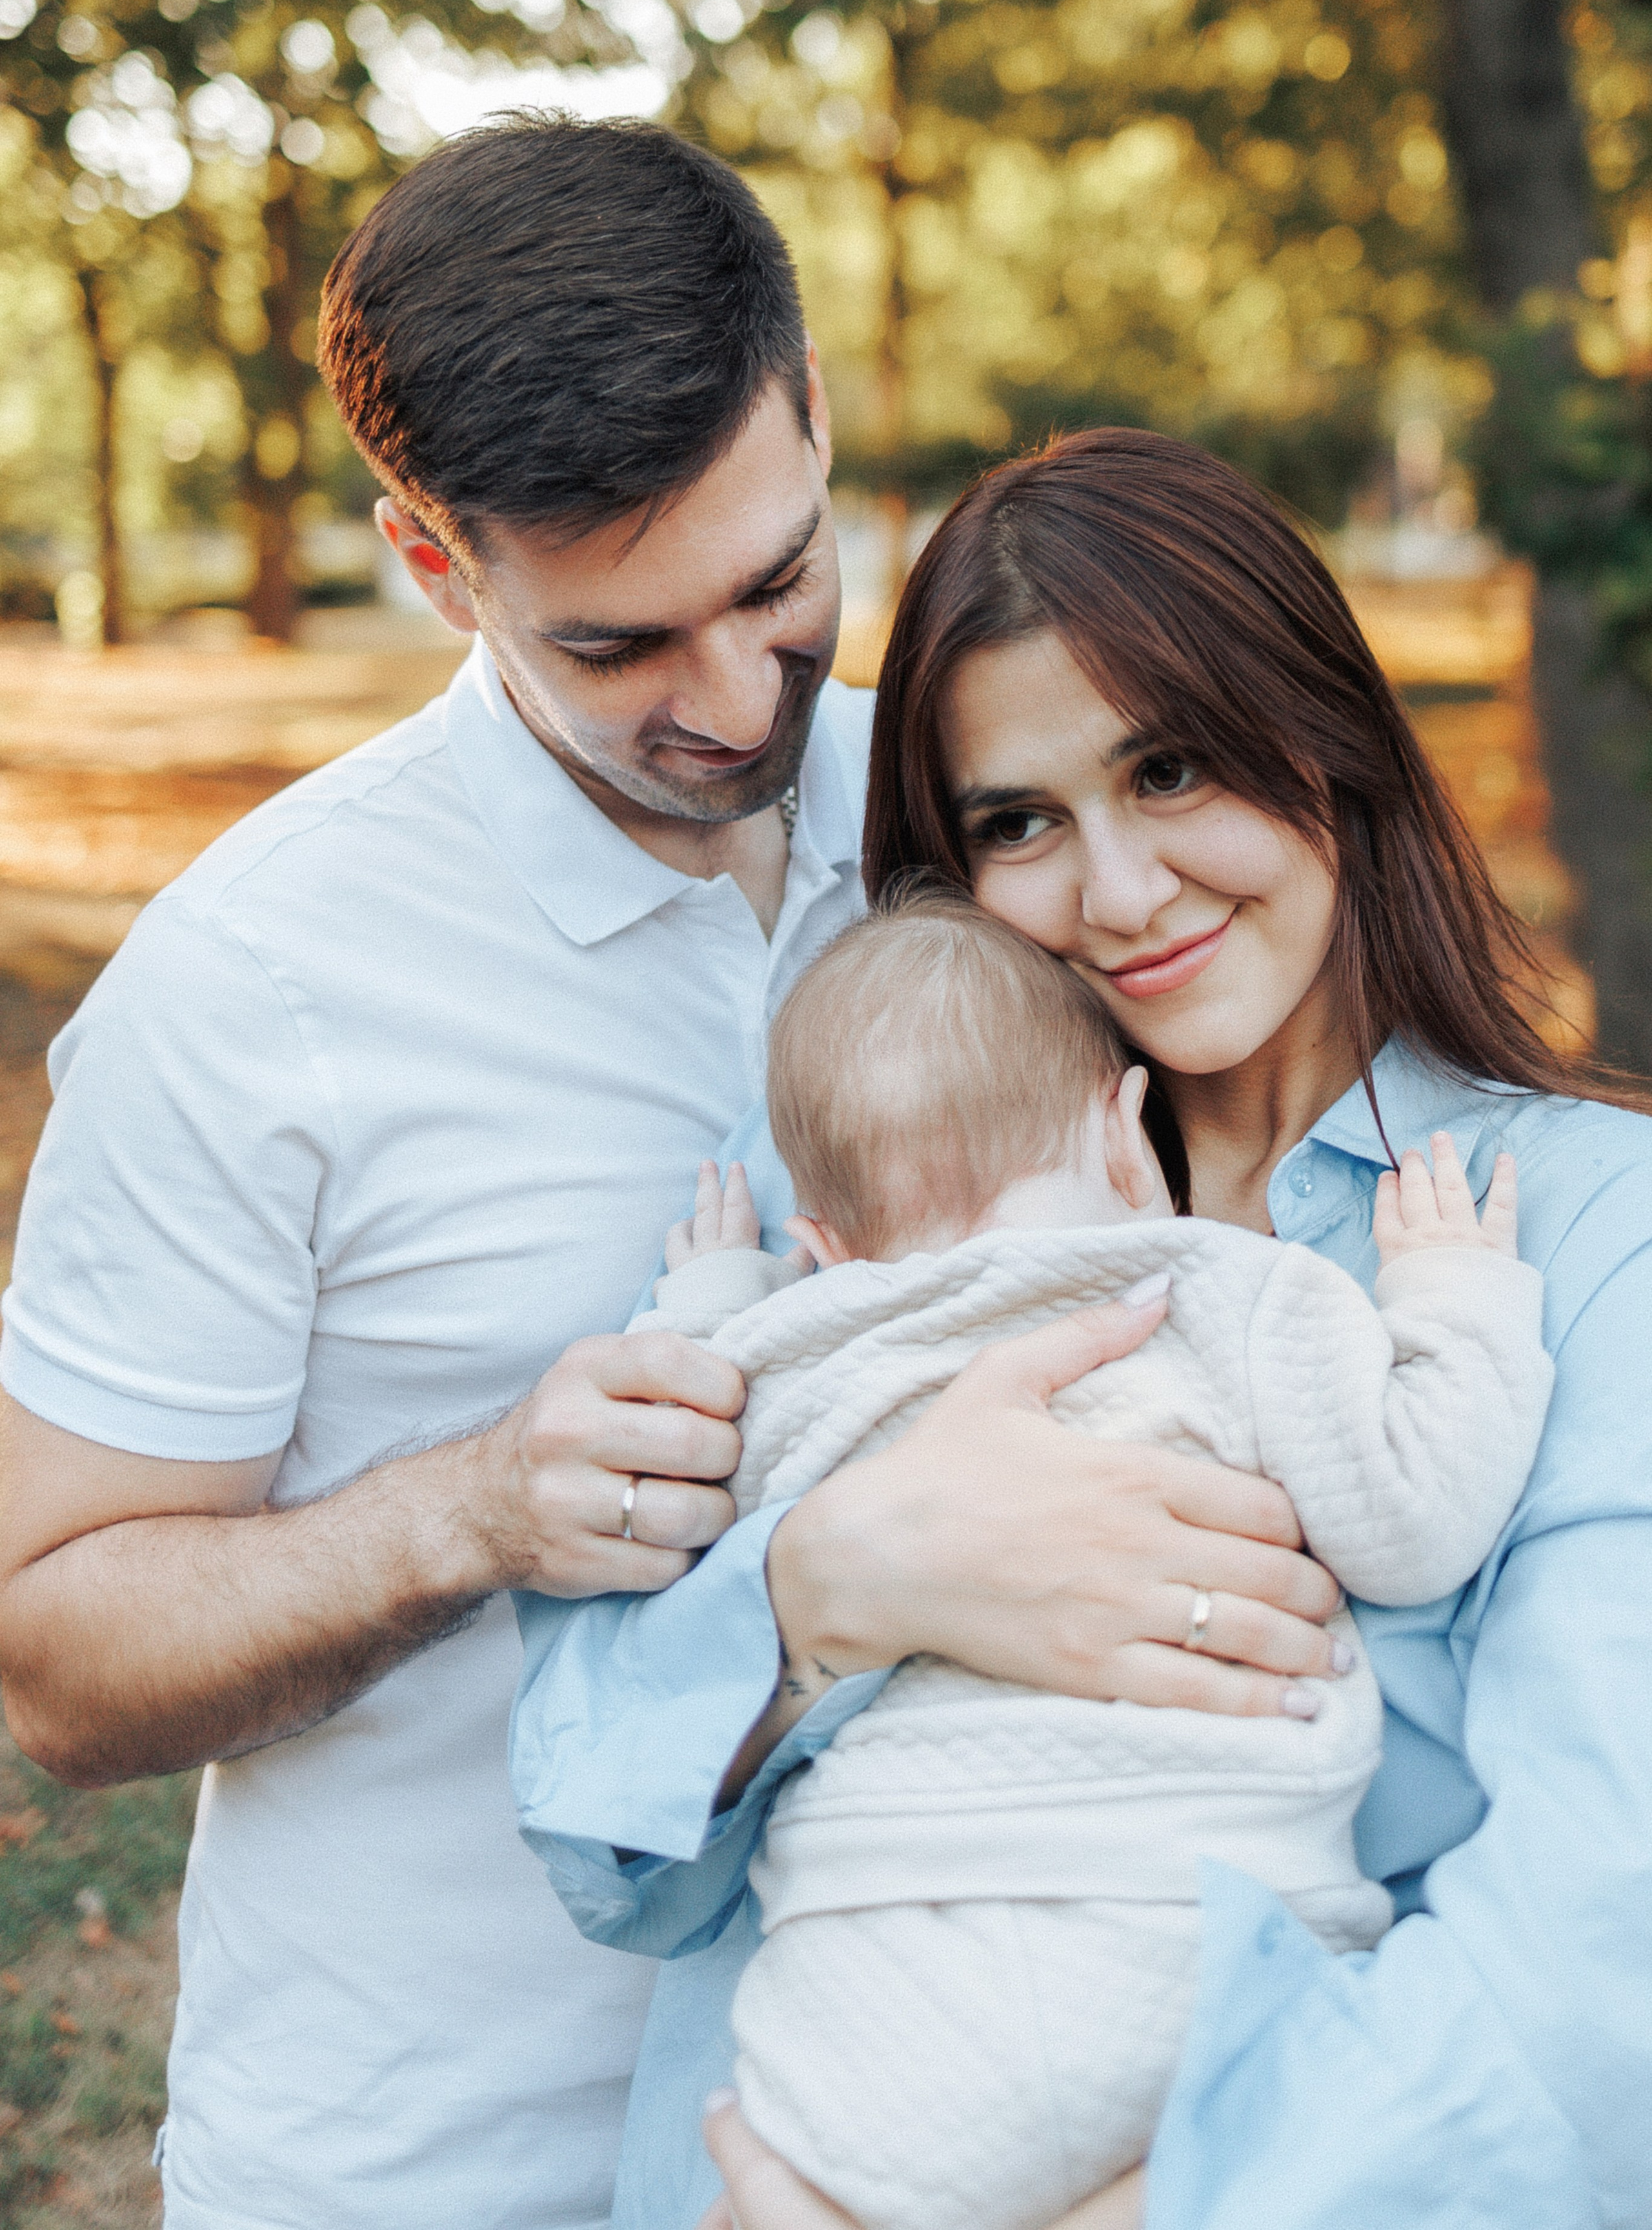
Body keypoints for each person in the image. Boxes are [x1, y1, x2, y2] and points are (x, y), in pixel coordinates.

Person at [0, 127, 1319, 2230]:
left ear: (816, 418)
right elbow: (51, 1655)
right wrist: (471, 1507)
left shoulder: (969, 817)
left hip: (984, 2135)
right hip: (438, 2167)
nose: (733, 700)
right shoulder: (251, 991)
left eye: (779, 581)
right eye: (618, 646)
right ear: (438, 567)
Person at [509, 427, 1652, 2230]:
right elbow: (600, 1838)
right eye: (1020, 823)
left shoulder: (1579, 1239)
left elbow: (1601, 1977)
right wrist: (833, 1589)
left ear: (1330, 740)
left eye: (1174, 769)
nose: (1118, 899)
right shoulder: (853, 1186)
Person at [626, 895, 1548, 2230]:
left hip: (871, 2025)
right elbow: (1413, 1523)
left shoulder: (793, 1358)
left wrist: (712, 1294)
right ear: (1127, 1137)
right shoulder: (1224, 1290)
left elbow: (690, 1446)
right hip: (1196, 1953)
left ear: (819, 1246)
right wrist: (1451, 1297)